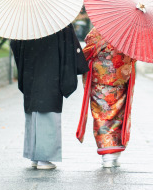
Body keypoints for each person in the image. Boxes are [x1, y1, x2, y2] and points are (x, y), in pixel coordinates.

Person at [11, 23, 88, 170]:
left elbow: (14, 44)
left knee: (33, 112)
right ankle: (44, 159)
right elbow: (70, 48)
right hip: (51, 74)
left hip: (30, 74)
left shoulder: (25, 22)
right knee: (48, 112)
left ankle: (34, 155)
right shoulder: (58, 22)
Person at [75, 26, 136, 168]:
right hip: (119, 81)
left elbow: (87, 52)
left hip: (100, 82)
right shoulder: (129, 33)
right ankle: (113, 154)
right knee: (118, 115)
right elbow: (133, 57)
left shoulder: (98, 30)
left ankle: (106, 153)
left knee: (101, 115)